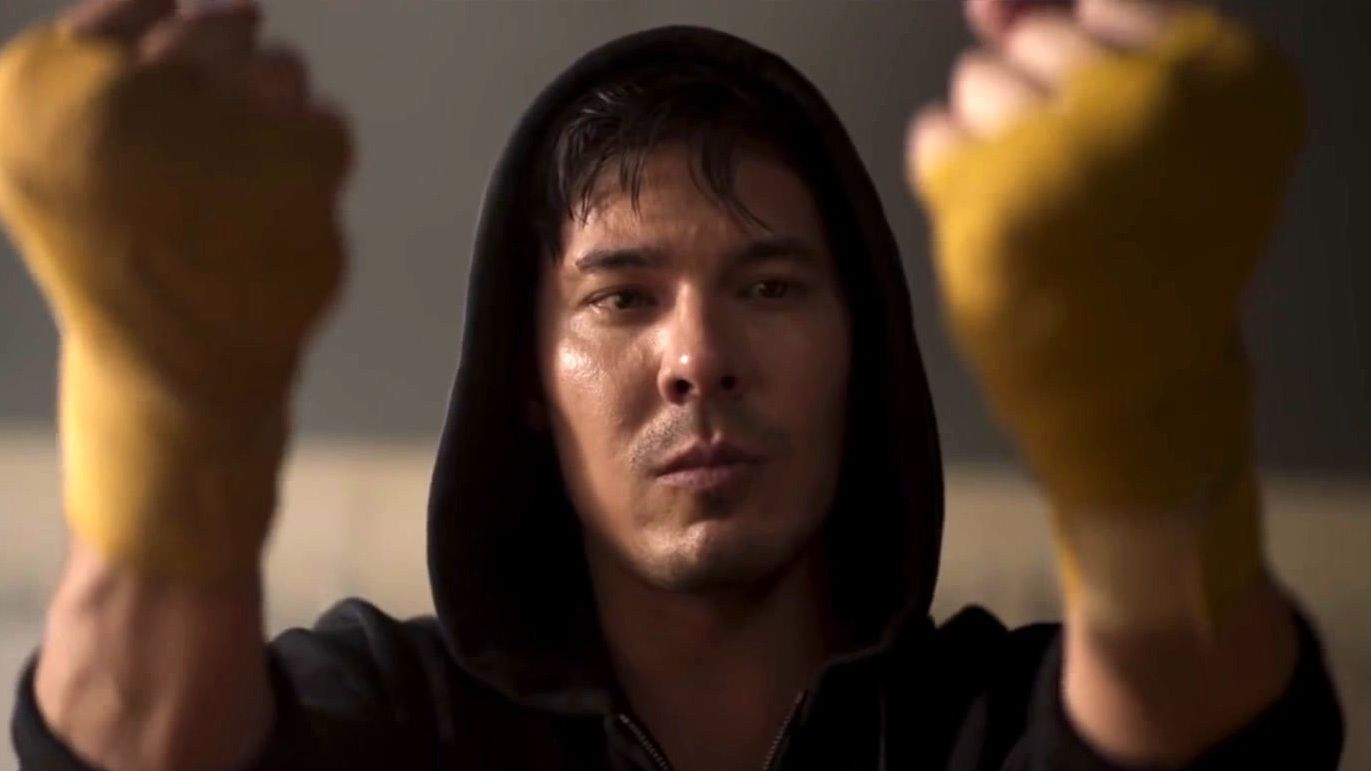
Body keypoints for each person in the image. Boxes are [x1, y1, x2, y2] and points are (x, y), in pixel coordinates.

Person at [0, 0, 1344, 768]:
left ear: (862, 346)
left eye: (769, 287)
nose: (698, 357)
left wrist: (1141, 414)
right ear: (531, 382)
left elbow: (1198, 720)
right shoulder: (401, 714)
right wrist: (172, 406)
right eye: (622, 299)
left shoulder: (994, 720)